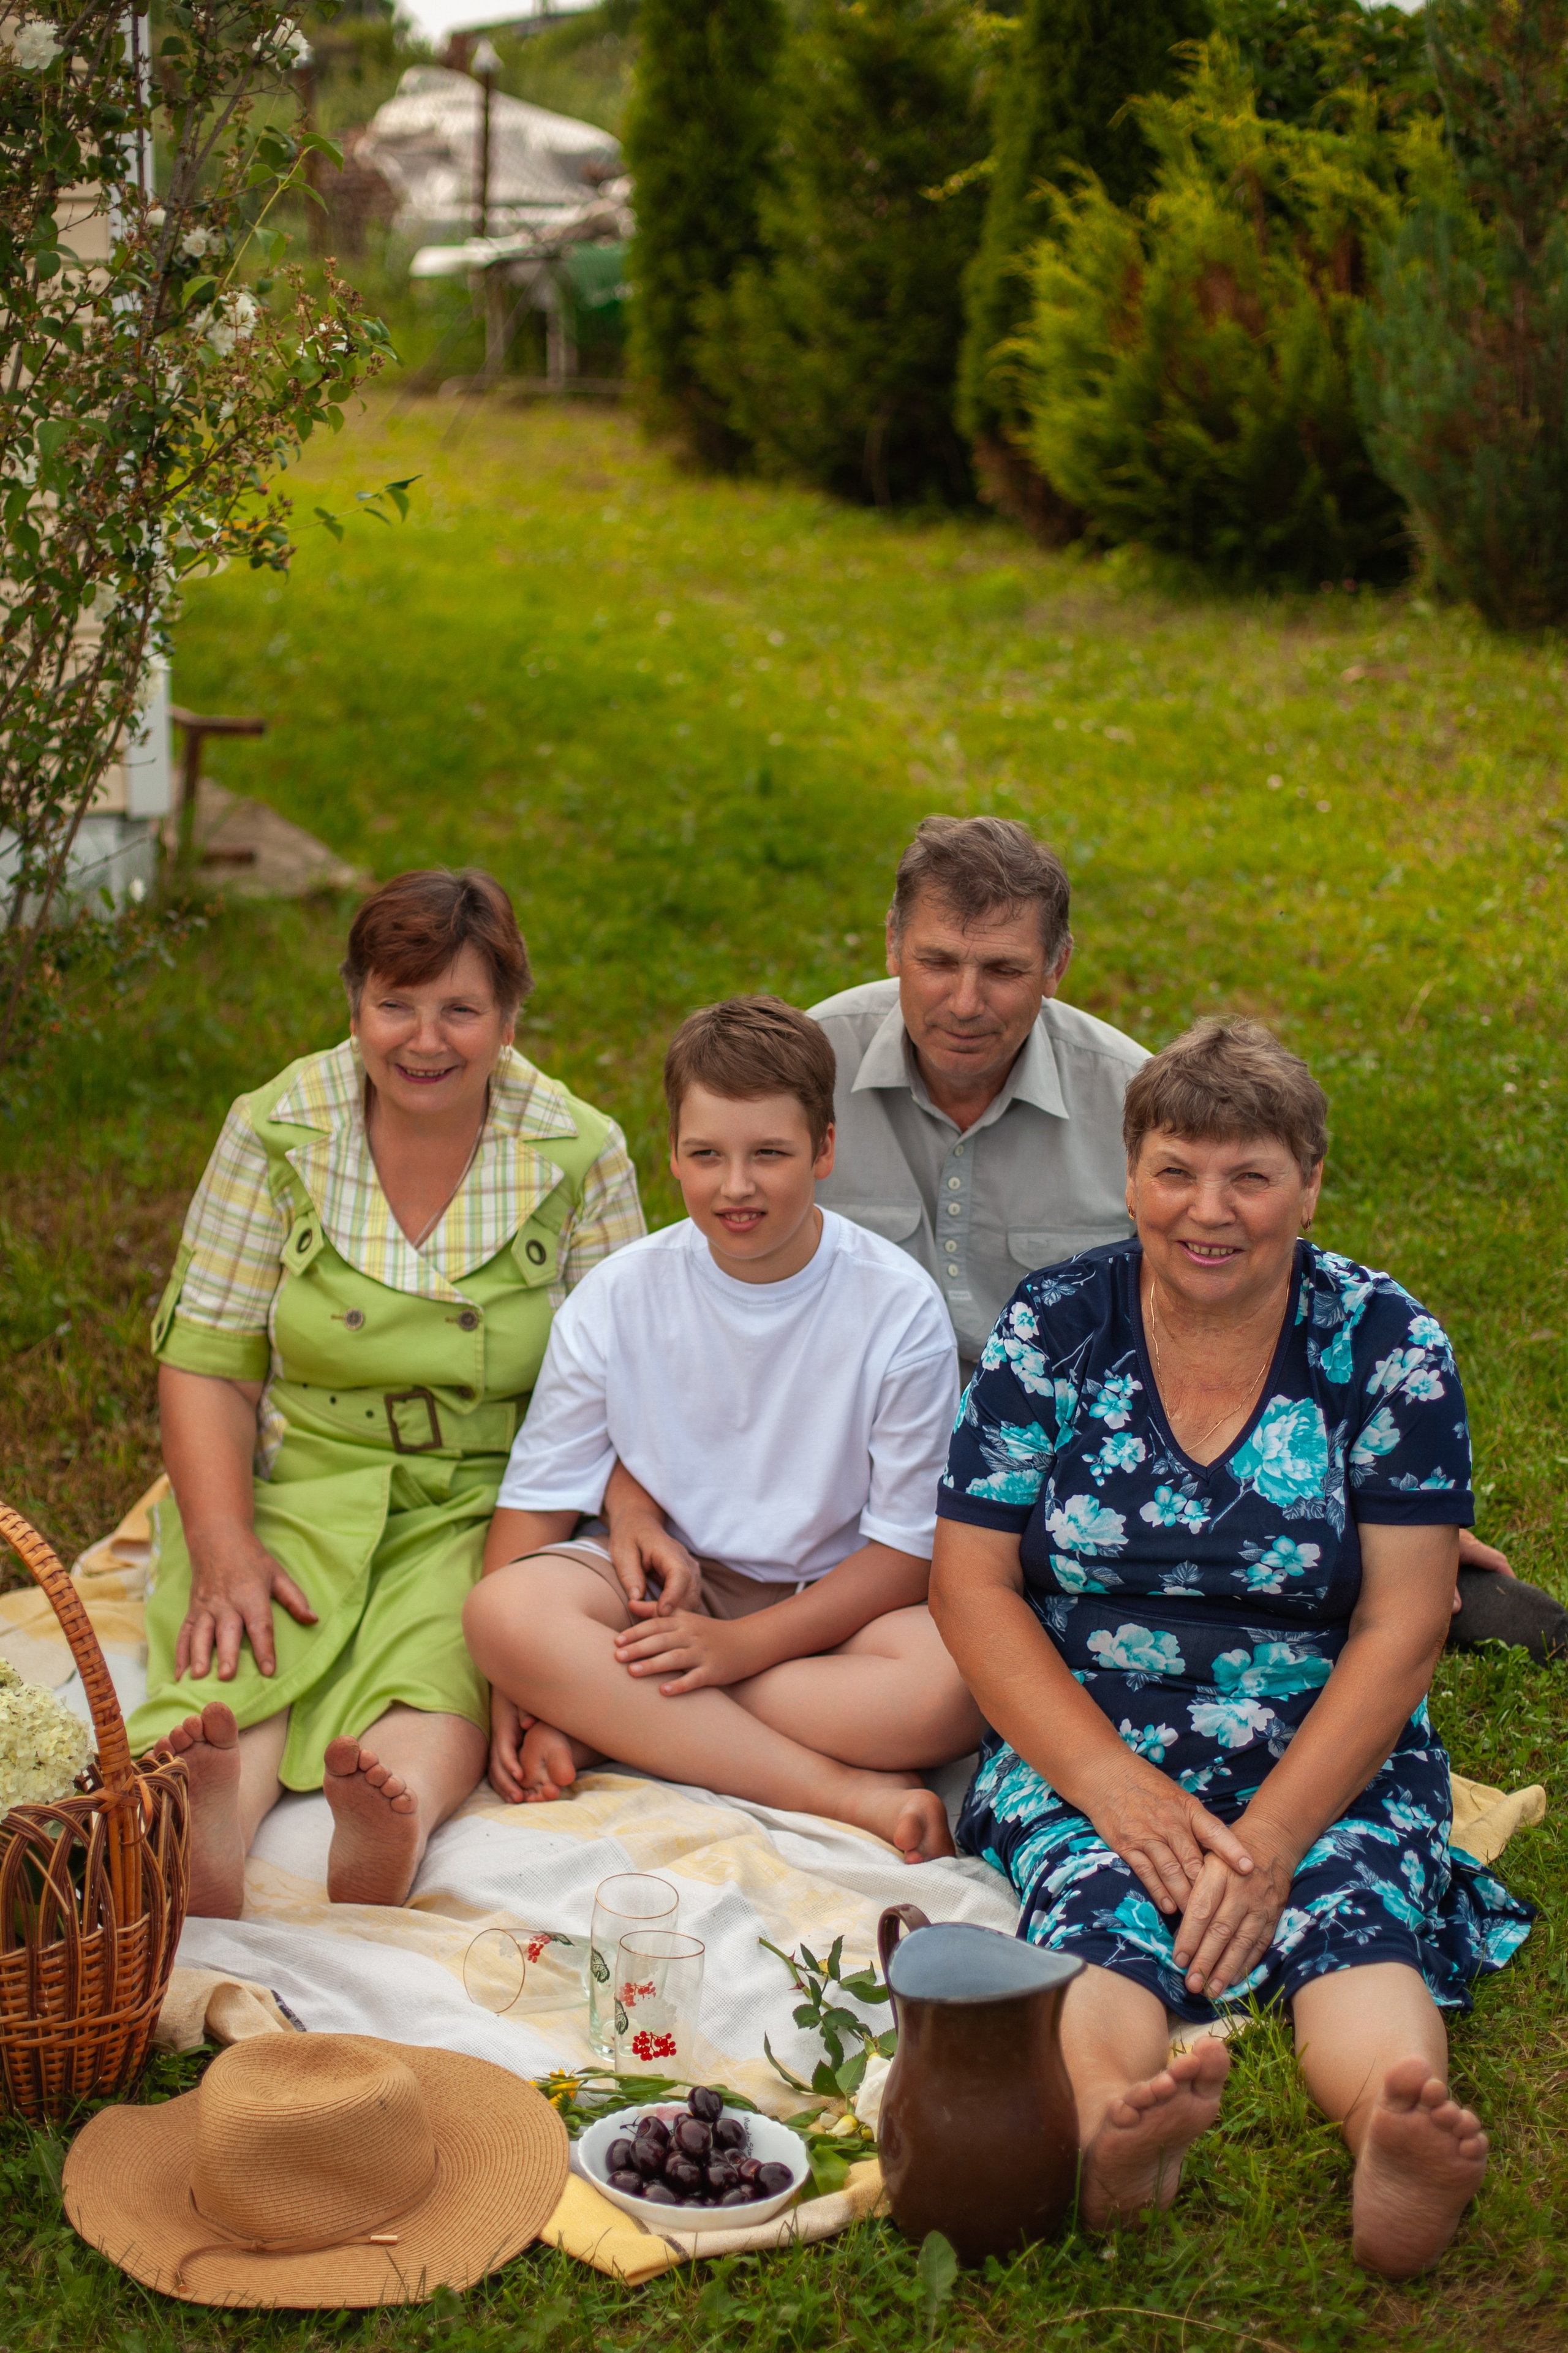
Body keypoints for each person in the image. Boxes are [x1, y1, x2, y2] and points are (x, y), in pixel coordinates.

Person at [930, 1018, 1532, 2279]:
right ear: (1131, 1173)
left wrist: (1267, 1839)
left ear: (1308, 1186)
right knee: (1092, 1908)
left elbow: (1404, 1616)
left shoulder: (1383, 1342)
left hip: (1317, 1727)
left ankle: (1393, 2126)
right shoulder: (1057, 1325)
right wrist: (1110, 1785)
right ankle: (1111, 2121)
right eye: (1174, 1171)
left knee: (1349, 1913)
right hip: (1095, 1723)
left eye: (1249, 1176)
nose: (1208, 1210)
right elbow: (970, 1584)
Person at [813, 812, 1553, 1650]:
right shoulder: (806, 1075)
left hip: (1059, 1452)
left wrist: (1354, 1486)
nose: (966, 1000)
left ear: (1057, 968)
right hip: (848, 1438)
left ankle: (1360, 1558)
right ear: (891, 944)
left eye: (1004, 969)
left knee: (1094, 1535)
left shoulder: (1141, 1104)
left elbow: (1247, 1283)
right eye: (937, 961)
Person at [128, 869, 644, 1915]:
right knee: (240, 1634)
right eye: (394, 1004)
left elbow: (627, 1387)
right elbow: (208, 1358)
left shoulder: (577, 1151)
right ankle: (208, 1808)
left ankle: (394, 1803)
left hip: (484, 1493)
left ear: (509, 1018)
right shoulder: (279, 1128)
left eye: (461, 1008)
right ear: (354, 1002)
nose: (425, 1039)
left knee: (449, 1649)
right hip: (299, 1472)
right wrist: (224, 1541)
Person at [463, 997, 981, 1861]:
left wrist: (735, 1649)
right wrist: (507, 1682)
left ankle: (615, 1722)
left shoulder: (896, 1307)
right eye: (706, 1155)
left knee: (953, 1692)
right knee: (504, 1611)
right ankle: (838, 1790)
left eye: (769, 1154)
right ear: (673, 1154)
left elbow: (904, 1555)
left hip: (838, 1607)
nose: (735, 1186)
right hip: (671, 1591)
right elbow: (537, 1506)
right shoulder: (621, 1295)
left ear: (823, 1148)